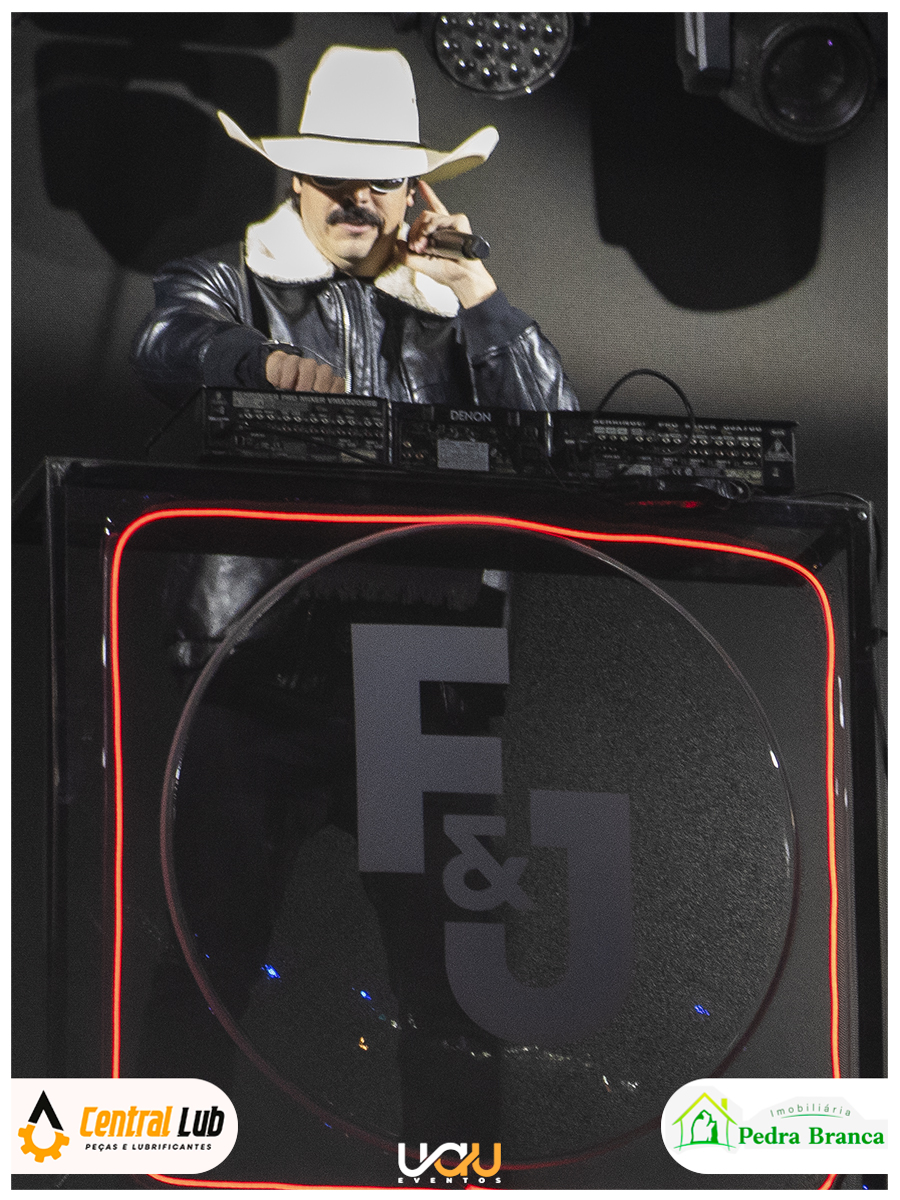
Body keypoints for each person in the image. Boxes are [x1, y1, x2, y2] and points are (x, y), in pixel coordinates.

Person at [131, 44, 577, 413]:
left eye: (384, 179)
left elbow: (558, 445)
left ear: (412, 192)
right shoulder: (227, 278)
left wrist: (479, 297)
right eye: (332, 174)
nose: (358, 196)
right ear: (298, 179)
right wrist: (258, 364)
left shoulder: (459, 312)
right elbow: (164, 342)